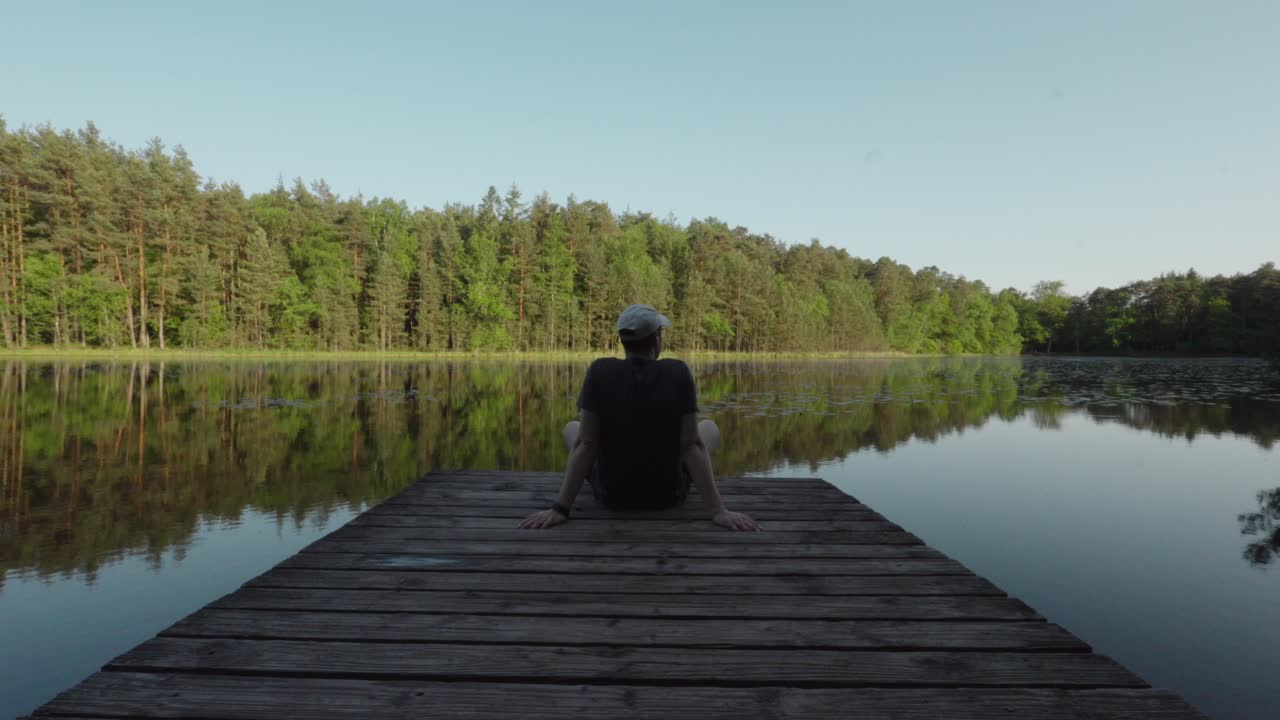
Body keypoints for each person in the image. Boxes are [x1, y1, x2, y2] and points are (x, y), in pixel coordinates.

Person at [520, 304, 761, 531]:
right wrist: (718, 511)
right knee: (708, 428)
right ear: (656, 337)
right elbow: (691, 445)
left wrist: (560, 508)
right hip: (667, 496)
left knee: (573, 428)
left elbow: (587, 443)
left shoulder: (599, 371)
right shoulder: (678, 372)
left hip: (612, 496)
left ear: (622, 340)